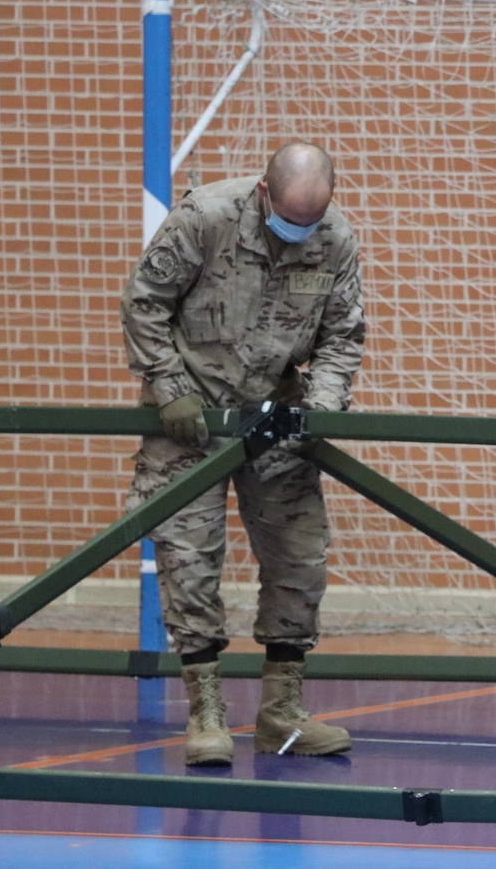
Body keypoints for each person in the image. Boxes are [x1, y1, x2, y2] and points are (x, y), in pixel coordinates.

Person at [121, 142, 365, 766]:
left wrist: (324, 408)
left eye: (310, 221)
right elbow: (144, 303)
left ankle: (281, 712)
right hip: (191, 420)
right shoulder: (205, 217)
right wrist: (169, 389)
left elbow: (341, 336)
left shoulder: (336, 240)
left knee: (298, 557)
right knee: (189, 560)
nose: (298, 233)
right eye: (289, 219)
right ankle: (205, 713)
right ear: (263, 193)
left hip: (277, 418)